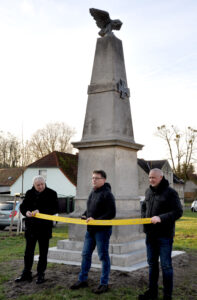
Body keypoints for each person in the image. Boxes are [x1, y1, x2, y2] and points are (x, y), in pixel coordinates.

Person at [139, 168, 183, 300]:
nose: (151, 180)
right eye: (149, 177)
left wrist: (161, 218)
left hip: (164, 235)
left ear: (161, 177)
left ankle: (167, 296)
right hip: (150, 235)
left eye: (153, 177)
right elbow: (144, 207)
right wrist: (144, 218)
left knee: (166, 265)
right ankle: (152, 293)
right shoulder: (148, 192)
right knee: (152, 264)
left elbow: (178, 211)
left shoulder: (171, 193)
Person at [70, 170, 116, 294]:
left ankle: (104, 283)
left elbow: (112, 213)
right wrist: (85, 215)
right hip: (90, 230)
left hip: (103, 231)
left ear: (104, 180)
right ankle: (83, 279)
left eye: (96, 178)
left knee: (103, 256)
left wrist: (96, 220)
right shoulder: (93, 192)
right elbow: (90, 209)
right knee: (85, 254)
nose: (94, 180)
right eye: (92, 178)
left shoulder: (107, 194)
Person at [15, 175, 58, 284]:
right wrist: (26, 212)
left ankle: (40, 274)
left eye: (42, 184)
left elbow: (55, 209)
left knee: (43, 253)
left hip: (44, 229)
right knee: (28, 252)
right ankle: (26, 273)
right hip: (31, 228)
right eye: (38, 185)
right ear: (34, 185)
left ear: (45, 182)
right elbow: (23, 207)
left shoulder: (52, 193)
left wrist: (41, 211)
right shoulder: (29, 193)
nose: (40, 186)